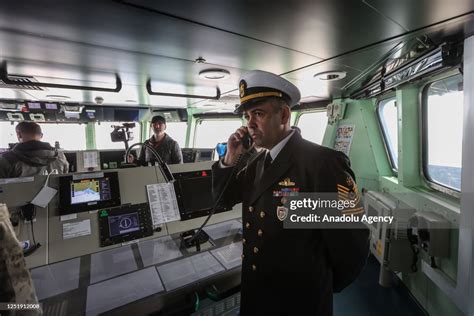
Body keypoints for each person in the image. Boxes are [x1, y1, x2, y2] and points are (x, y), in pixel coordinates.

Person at [212, 70, 369, 315]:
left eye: (259, 114)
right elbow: (222, 200)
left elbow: (352, 244)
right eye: (247, 116)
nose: (249, 123)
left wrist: (318, 288)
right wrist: (230, 158)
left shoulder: (322, 164)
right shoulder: (254, 163)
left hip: (298, 302)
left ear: (284, 114)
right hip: (256, 295)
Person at [0, 121, 69, 178]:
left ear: (19, 134)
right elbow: (64, 178)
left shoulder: (7, 159)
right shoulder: (60, 156)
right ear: (41, 135)